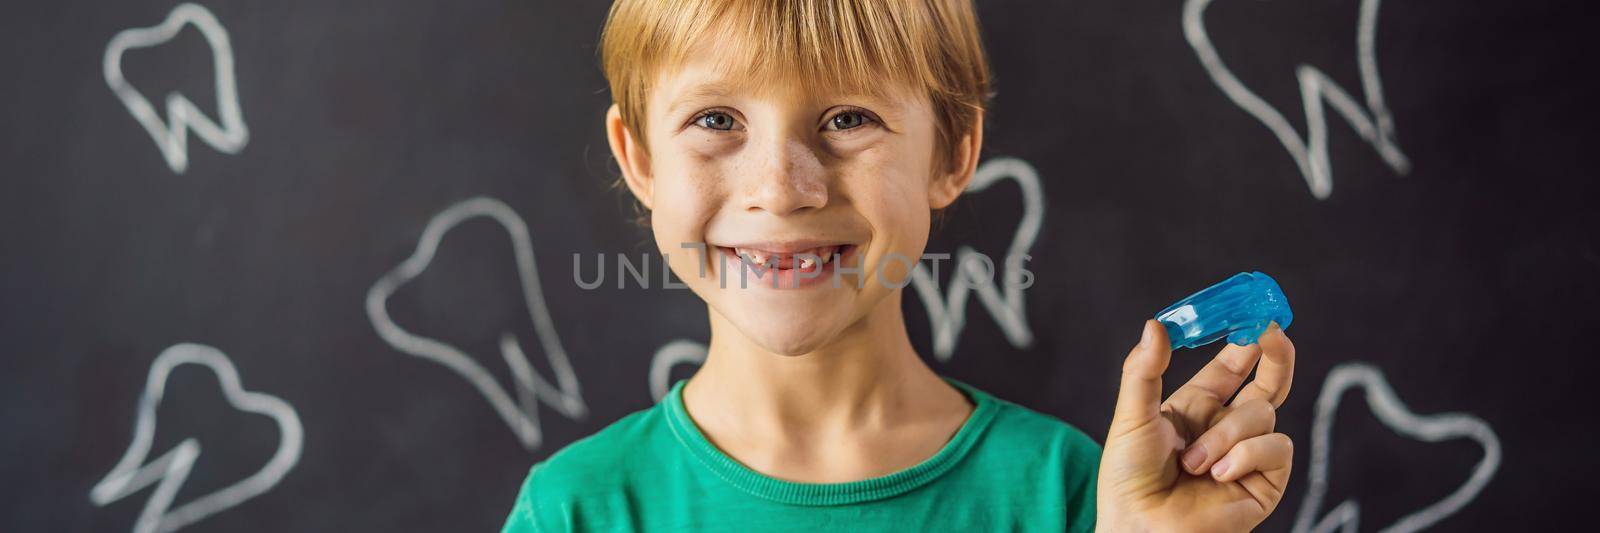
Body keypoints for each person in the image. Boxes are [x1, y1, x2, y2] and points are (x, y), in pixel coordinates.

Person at [503, 0, 1297, 530]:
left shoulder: (1079, 494)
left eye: (848, 118)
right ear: (639, 160)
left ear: (953, 154)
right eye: (717, 120)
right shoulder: (575, 509)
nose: (781, 189)